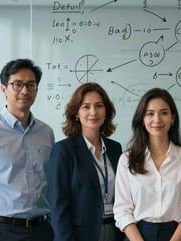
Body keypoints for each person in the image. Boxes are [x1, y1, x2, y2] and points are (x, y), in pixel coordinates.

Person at [0, 58, 55, 241]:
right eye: (17, 84)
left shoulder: (46, 133)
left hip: (43, 230)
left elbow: (50, 186)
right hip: (4, 231)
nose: (25, 90)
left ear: (36, 90)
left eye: (31, 84)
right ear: (3, 89)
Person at [113, 87, 181, 241]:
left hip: (176, 235)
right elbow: (122, 210)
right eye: (150, 113)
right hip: (137, 235)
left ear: (173, 118)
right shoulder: (127, 159)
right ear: (142, 118)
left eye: (164, 113)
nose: (157, 119)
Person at [48, 82, 124, 241]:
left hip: (115, 231)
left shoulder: (115, 149)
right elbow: (58, 206)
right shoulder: (63, 150)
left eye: (99, 106)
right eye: (86, 107)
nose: (93, 112)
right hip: (79, 235)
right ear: (76, 113)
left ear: (106, 112)